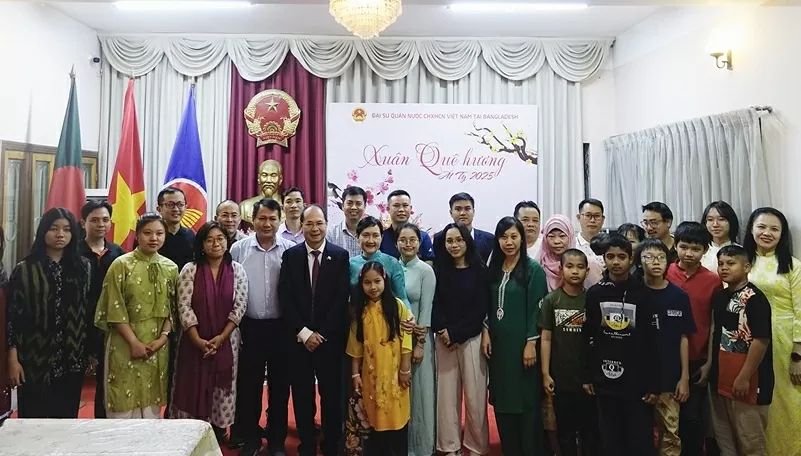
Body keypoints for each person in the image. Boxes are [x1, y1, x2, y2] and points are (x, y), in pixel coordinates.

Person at [278, 205, 350, 456]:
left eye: (319, 223)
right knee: (302, 395)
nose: (314, 228)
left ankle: (331, 445)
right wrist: (304, 332)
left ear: (326, 224)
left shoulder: (340, 256)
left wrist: (322, 333)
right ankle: (307, 444)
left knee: (331, 395)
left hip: (329, 341)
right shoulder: (291, 256)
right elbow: (285, 297)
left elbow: (340, 300)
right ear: (302, 226)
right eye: (309, 223)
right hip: (299, 341)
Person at [6, 208, 91, 418]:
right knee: (33, 421)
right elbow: (12, 318)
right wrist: (12, 359)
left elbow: (87, 313)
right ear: (43, 231)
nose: (60, 234)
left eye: (67, 229)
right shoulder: (25, 269)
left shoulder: (83, 268)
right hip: (34, 360)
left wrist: (90, 353)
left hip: (72, 360)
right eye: (54, 228)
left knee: (65, 421)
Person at [580, 234, 660, 456]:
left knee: (639, 441)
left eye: (621, 257)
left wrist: (654, 384)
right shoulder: (595, 293)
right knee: (610, 441)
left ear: (631, 259)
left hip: (636, 382)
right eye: (610, 256)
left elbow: (652, 341)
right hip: (605, 379)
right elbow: (587, 337)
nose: (616, 262)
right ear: (604, 259)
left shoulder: (643, 293)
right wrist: (587, 375)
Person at [228, 199, 296, 456]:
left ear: (280, 220)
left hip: (282, 328)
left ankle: (277, 440)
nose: (267, 224)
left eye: (272, 219)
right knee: (249, 386)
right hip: (250, 327)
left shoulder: (290, 250)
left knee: (280, 387)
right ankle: (252, 438)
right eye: (262, 218)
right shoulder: (238, 249)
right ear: (253, 220)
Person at [95, 213, 179, 419]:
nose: (154, 238)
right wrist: (134, 343)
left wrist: (162, 338)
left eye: (159, 233)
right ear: (138, 235)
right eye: (147, 233)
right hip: (124, 343)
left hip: (157, 346)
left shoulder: (171, 268)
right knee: (122, 405)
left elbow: (174, 308)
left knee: (151, 409)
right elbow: (113, 307)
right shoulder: (121, 265)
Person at [170, 222, 248, 442]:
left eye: (220, 238)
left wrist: (221, 338)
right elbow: (183, 306)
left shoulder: (237, 270)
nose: (216, 243)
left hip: (227, 341)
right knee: (191, 382)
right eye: (210, 239)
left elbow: (239, 307)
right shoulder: (190, 269)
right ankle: (189, 429)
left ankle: (217, 429)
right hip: (193, 341)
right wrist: (197, 340)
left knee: (221, 384)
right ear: (202, 244)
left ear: (227, 242)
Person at [483, 216, 548, 455]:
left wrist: (531, 343)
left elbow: (537, 310)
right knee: (503, 401)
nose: (509, 242)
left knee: (526, 403)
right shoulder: (493, 269)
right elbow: (486, 305)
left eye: (514, 236)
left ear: (522, 239)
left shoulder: (533, 270)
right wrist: (485, 331)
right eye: (504, 237)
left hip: (522, 348)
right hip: (499, 348)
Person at [742, 207, 801, 455]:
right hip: (749, 338)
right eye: (762, 227)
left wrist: (798, 355)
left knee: (787, 398)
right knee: (755, 399)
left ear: (782, 234)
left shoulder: (793, 266)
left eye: (774, 229)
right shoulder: (742, 261)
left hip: (784, 340)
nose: (767, 233)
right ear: (751, 229)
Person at [709, 245, 774, 456]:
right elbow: (715, 334)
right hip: (720, 378)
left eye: (731, 263)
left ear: (746, 267)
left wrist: (744, 377)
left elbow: (761, 341)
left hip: (748, 382)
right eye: (721, 264)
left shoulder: (755, 298)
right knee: (725, 441)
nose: (724, 268)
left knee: (751, 443)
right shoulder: (720, 297)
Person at [432, 222, 490, 456]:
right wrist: (444, 330)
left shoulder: (480, 270)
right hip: (444, 340)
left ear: (467, 242)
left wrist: (456, 333)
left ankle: (476, 446)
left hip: (471, 339)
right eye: (449, 241)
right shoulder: (439, 269)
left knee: (476, 397)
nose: (454, 245)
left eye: (459, 240)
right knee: (446, 398)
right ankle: (450, 445)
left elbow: (481, 309)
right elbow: (435, 303)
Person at [665, 222, 723, 456]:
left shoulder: (713, 281)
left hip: (697, 358)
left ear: (706, 250)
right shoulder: (664, 273)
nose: (689, 253)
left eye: (696, 249)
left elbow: (714, 324)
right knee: (666, 419)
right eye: (684, 247)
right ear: (675, 246)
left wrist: (709, 363)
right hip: (665, 357)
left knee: (692, 418)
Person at [636, 239, 696, 456]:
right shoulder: (633, 294)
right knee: (639, 436)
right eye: (649, 257)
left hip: (670, 379)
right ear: (639, 261)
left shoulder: (678, 296)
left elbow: (684, 338)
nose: (656, 262)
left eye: (661, 257)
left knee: (671, 435)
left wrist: (684, 377)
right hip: (637, 380)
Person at [348, 261, 414, 455]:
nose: (373, 287)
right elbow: (356, 346)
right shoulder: (360, 311)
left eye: (377, 281)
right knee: (375, 423)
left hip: (395, 376)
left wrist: (405, 369)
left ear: (385, 280)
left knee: (397, 422)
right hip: (371, 376)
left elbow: (406, 340)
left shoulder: (397, 306)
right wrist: (355, 374)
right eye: (367, 282)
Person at [540, 248, 600, 456]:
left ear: (587, 271)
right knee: (565, 432)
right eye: (570, 266)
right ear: (560, 269)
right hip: (561, 379)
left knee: (589, 433)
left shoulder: (592, 300)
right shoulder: (552, 300)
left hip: (587, 380)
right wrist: (545, 373)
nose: (575, 271)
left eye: (580, 267)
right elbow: (546, 338)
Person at [78, 200, 126, 418]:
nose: (100, 224)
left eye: (105, 220)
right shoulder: (74, 251)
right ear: (83, 223)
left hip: (109, 324)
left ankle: (102, 422)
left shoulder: (118, 253)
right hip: (79, 323)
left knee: (107, 379)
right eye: (94, 220)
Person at [397, 223, 437, 456]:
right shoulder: (392, 267)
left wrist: (420, 344)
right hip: (395, 341)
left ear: (419, 243)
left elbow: (426, 309)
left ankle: (421, 448)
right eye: (403, 240)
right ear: (396, 243)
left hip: (418, 340)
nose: (408, 244)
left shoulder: (425, 270)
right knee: (401, 393)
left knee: (420, 395)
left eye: (412, 240)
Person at [349, 216, 411, 308]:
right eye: (365, 235)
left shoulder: (392, 263)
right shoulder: (350, 264)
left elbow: (402, 297)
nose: (370, 240)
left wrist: (408, 313)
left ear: (381, 237)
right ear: (357, 237)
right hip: (358, 315)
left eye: (375, 235)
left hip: (387, 315)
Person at [536, 214, 601, 291]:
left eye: (562, 236)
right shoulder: (539, 265)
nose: (557, 241)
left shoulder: (586, 264)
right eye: (551, 236)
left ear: (570, 237)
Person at [433, 193, 494, 262]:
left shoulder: (489, 239)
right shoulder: (440, 238)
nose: (462, 213)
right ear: (451, 213)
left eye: (467, 209)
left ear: (473, 212)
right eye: (458, 209)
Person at [380, 190, 435, 262]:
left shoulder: (423, 236)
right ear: (388, 209)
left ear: (410, 208)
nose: (401, 209)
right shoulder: (381, 237)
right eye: (396, 206)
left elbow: (429, 261)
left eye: (405, 205)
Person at [155, 186, 196, 271]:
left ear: (185, 207)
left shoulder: (191, 236)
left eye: (180, 205)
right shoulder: (152, 237)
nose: (176, 209)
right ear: (159, 209)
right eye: (170, 205)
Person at [327, 185, 367, 258]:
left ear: (364, 207)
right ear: (342, 206)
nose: (354, 207)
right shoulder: (331, 234)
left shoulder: (371, 234)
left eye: (358, 203)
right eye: (349, 203)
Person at [700, 201, 740, 274]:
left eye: (721, 219)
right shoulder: (699, 251)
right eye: (710, 220)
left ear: (731, 222)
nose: (715, 224)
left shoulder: (741, 252)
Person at [575, 198, 605, 271]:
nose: (592, 220)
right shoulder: (572, 245)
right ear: (579, 217)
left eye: (597, 216)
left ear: (603, 219)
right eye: (588, 215)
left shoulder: (610, 245)